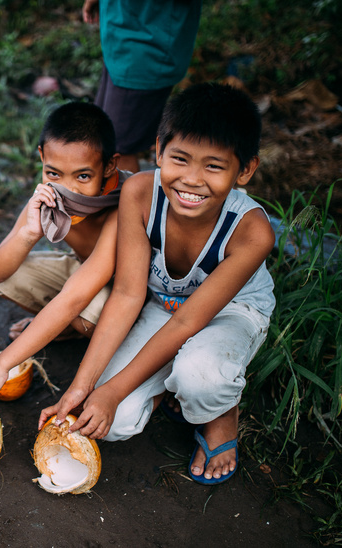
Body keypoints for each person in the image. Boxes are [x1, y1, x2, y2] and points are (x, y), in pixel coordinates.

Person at [39, 82, 275, 485]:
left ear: (245, 170)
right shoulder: (140, 193)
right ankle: (169, 384)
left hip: (230, 313)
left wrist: (111, 391)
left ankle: (220, 412)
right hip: (162, 304)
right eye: (180, 159)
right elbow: (130, 294)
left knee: (202, 376)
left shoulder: (252, 232)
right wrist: (83, 386)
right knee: (108, 425)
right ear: (158, 151)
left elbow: (188, 323)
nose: (192, 180)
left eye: (214, 166)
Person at [0, 101, 131, 416]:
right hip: (82, 274)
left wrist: (4, 363)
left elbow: (76, 296)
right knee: (13, 271)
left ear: (110, 167)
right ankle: (58, 326)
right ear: (42, 156)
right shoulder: (48, 196)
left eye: (83, 176)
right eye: (54, 173)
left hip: (124, 293)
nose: (67, 188)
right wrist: (29, 233)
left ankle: (75, 332)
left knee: (82, 310)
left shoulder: (126, 200)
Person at [82, 0, 202, 173]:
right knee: (100, 135)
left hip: (146, 46)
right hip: (122, 39)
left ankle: (126, 199)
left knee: (117, 149)